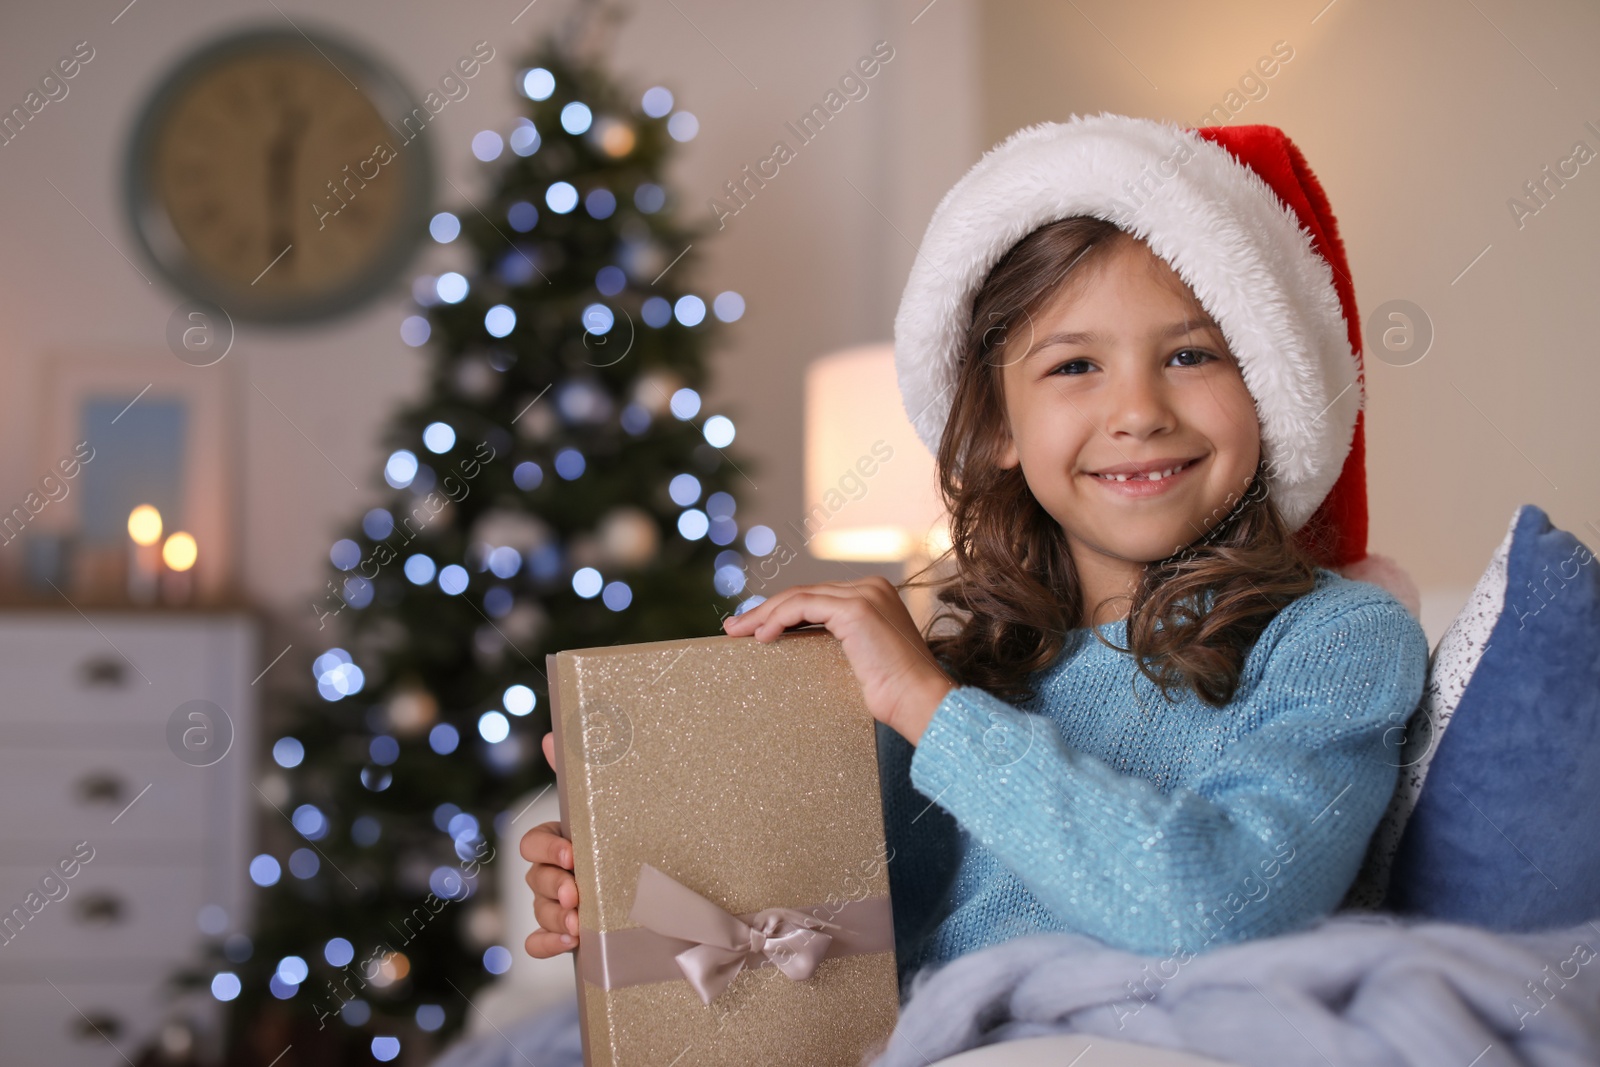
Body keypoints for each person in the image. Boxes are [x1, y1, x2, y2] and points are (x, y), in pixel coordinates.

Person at [520, 114, 1429, 997]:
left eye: (1192, 354)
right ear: (996, 422)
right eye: (1074, 366)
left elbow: (1227, 908)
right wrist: (634, 891)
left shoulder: (1335, 639)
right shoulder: (964, 669)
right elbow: (824, 949)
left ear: (1270, 390)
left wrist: (928, 705)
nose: (1140, 410)